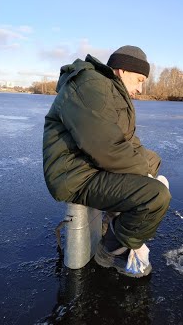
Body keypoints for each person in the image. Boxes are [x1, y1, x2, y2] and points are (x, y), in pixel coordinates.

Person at [42, 45, 171, 278]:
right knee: (155, 195)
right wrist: (145, 176)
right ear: (123, 71)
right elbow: (106, 148)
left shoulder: (110, 90)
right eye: (140, 80)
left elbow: (128, 142)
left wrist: (147, 165)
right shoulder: (90, 85)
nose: (141, 89)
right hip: (75, 176)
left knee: (152, 160)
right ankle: (112, 250)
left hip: (92, 166)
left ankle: (114, 218)